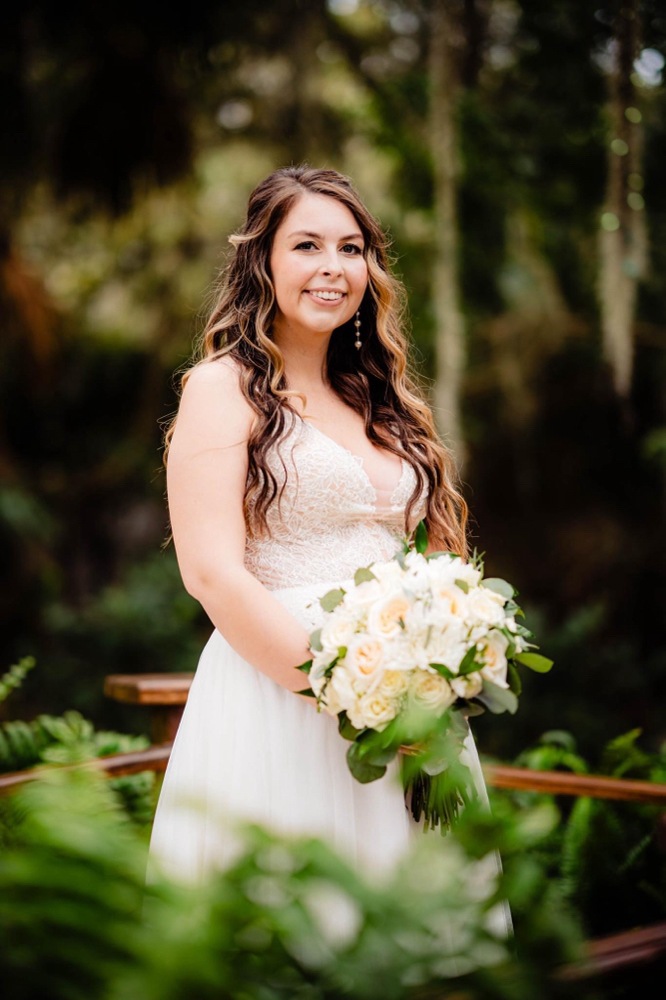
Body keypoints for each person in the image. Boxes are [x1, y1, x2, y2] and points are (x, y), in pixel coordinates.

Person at [147, 165, 512, 936]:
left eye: (351, 249)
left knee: (419, 931)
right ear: (263, 263)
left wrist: (445, 661)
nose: (332, 268)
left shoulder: (384, 397)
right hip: (279, 705)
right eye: (306, 245)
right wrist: (343, 693)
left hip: (414, 709)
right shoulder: (223, 388)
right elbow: (211, 571)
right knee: (301, 929)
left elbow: (434, 556)